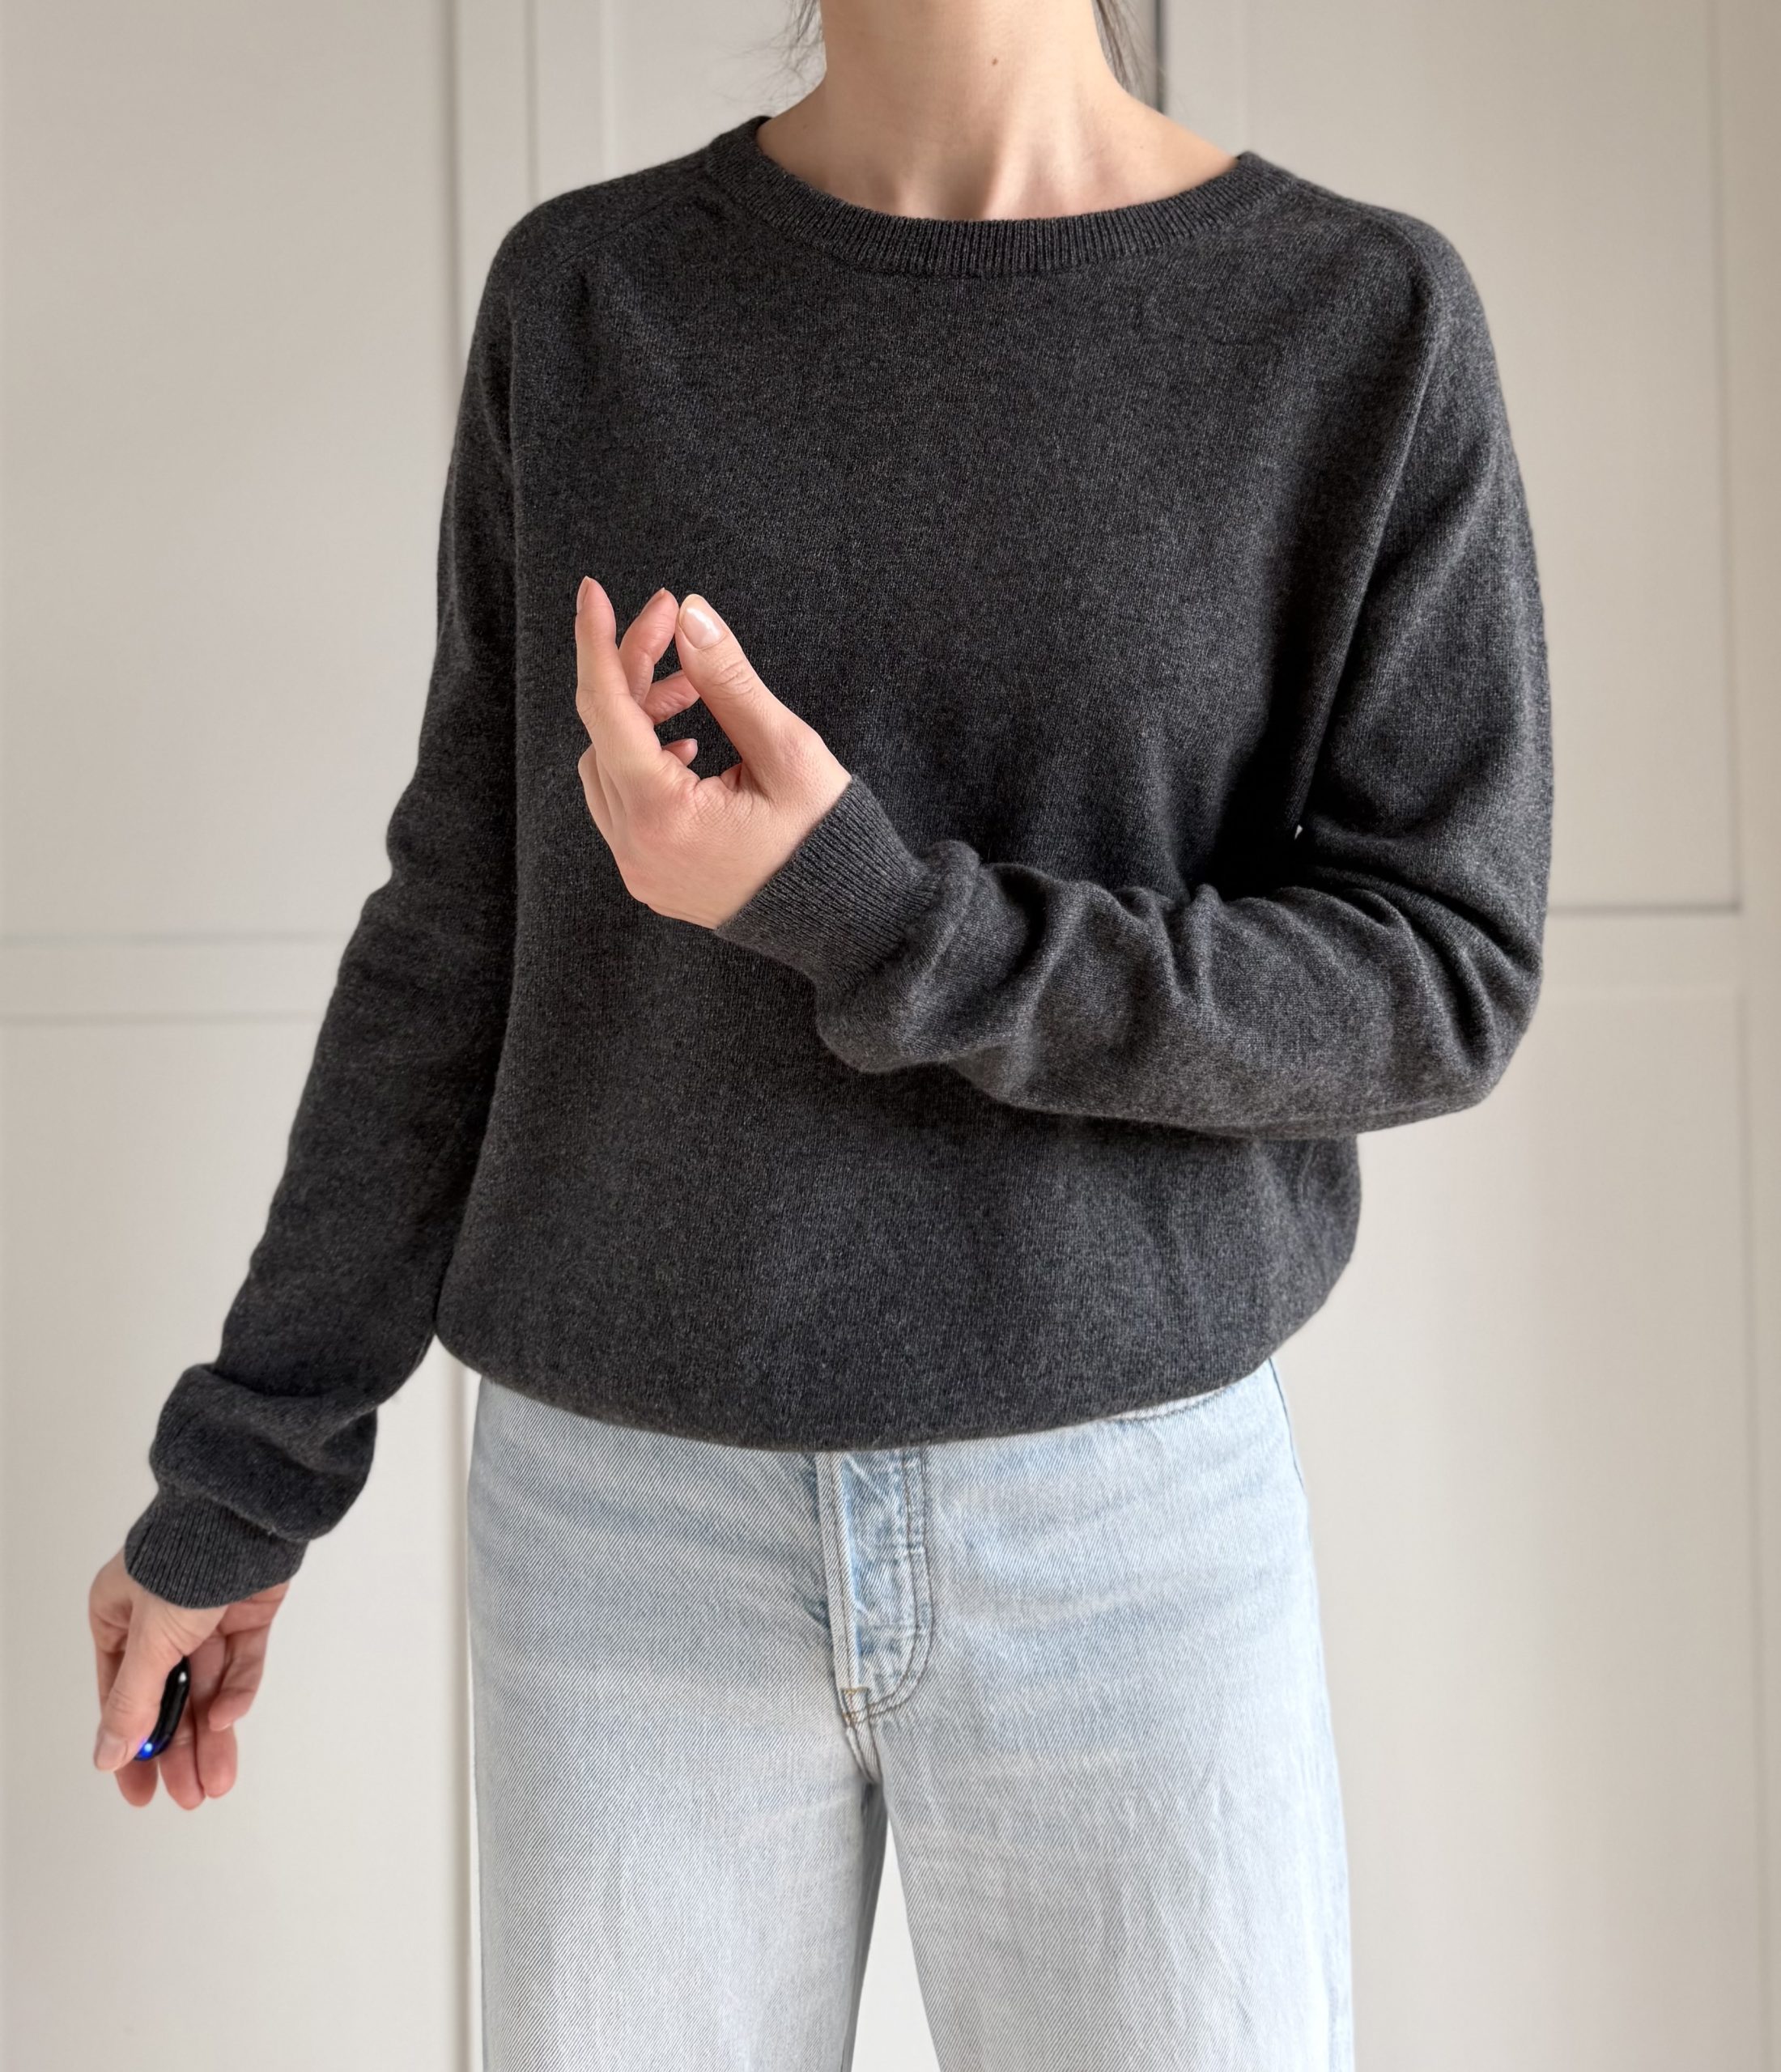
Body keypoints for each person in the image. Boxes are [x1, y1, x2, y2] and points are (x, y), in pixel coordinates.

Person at [87, 0, 1553, 2063]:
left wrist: (876, 918)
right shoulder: (590, 302)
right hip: (623, 1537)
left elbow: (1433, 971)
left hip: (1125, 1525)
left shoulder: (1348, 322)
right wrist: (249, 1468)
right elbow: (459, 929)